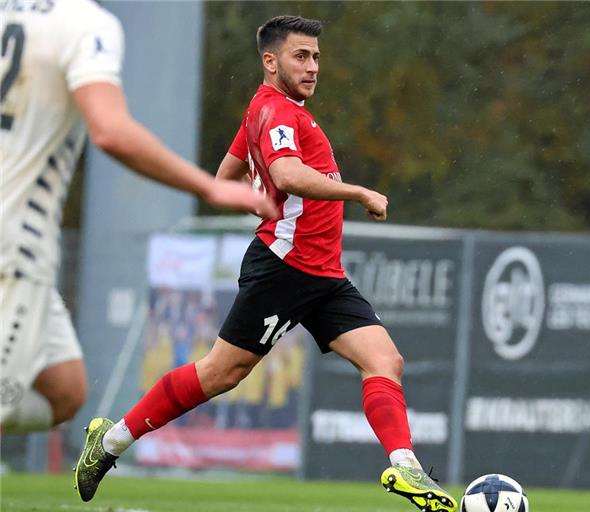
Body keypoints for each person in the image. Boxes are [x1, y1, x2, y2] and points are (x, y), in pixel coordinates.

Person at [74, 14, 458, 512]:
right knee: (219, 374)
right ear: (270, 60)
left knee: (385, 360)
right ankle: (109, 443)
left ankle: (406, 467)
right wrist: (355, 190)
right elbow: (287, 172)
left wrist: (256, 192)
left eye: (317, 56)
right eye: (302, 56)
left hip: (322, 273)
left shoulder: (268, 109)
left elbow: (227, 173)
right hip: (285, 267)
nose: (313, 66)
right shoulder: (278, 112)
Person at [0, 0, 277, 434]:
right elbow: (110, 130)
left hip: (19, 243)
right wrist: (208, 186)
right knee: (5, 404)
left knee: (65, 388)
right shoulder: (85, 24)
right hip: (13, 243)